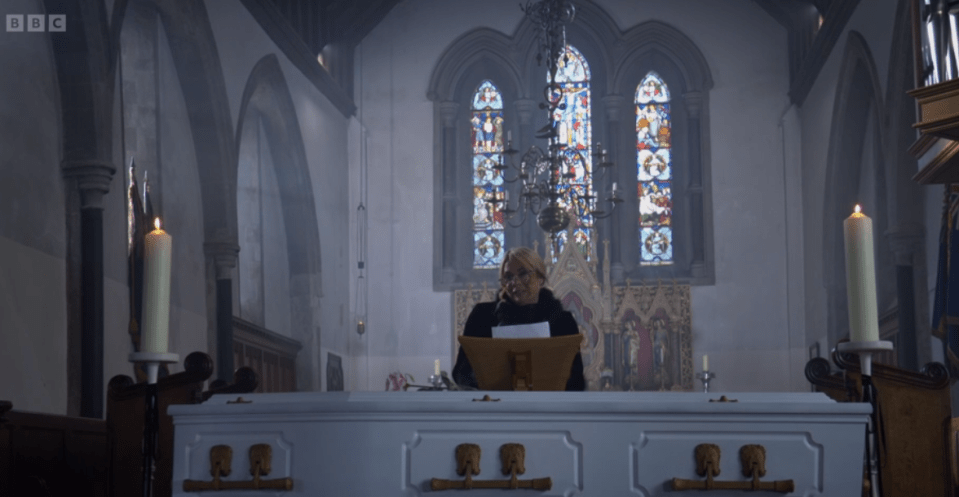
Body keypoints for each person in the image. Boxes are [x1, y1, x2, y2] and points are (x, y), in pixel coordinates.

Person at [452, 247, 586, 391]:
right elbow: (461, 372)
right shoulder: (483, 317)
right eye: (508, 277)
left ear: (540, 279)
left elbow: (576, 380)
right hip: (496, 406)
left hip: (546, 408)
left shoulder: (563, 322)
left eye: (523, 274)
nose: (515, 282)